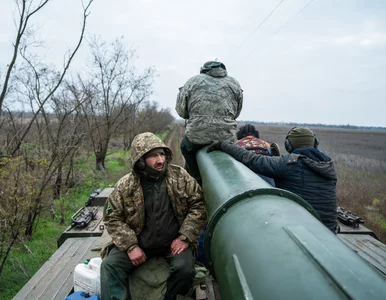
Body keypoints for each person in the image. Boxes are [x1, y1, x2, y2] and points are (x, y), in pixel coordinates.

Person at [100, 132, 207, 300]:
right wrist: (130, 246)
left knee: (185, 270)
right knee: (109, 266)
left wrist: (185, 237)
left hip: (172, 244)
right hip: (138, 243)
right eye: (153, 156)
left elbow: (199, 205)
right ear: (140, 160)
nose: (160, 160)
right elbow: (112, 218)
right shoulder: (125, 185)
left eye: (162, 154)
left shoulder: (180, 177)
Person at [207, 126, 338, 233]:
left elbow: (253, 160)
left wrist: (224, 145)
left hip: (303, 229)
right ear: (315, 143)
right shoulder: (328, 165)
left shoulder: (289, 164)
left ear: (288, 145)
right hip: (328, 230)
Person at [175, 60, 243, 184]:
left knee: (185, 147)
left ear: (203, 70)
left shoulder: (193, 81)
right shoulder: (234, 83)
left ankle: (197, 179)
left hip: (197, 137)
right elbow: (236, 113)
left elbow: (181, 112)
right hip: (227, 138)